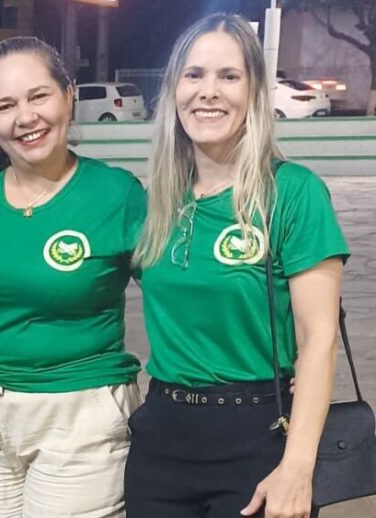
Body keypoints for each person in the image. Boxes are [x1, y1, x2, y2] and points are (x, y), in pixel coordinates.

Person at [125, 14, 348, 518]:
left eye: (228, 76)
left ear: (254, 92)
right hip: (161, 441)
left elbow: (319, 340)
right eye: (194, 75)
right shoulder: (156, 204)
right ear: (174, 89)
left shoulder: (292, 192)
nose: (208, 91)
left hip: (259, 438)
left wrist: (298, 466)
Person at [0, 36, 143, 517]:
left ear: (68, 96)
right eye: (6, 105)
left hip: (81, 413)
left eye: (39, 96)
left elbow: (178, 294)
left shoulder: (116, 193)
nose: (25, 117)